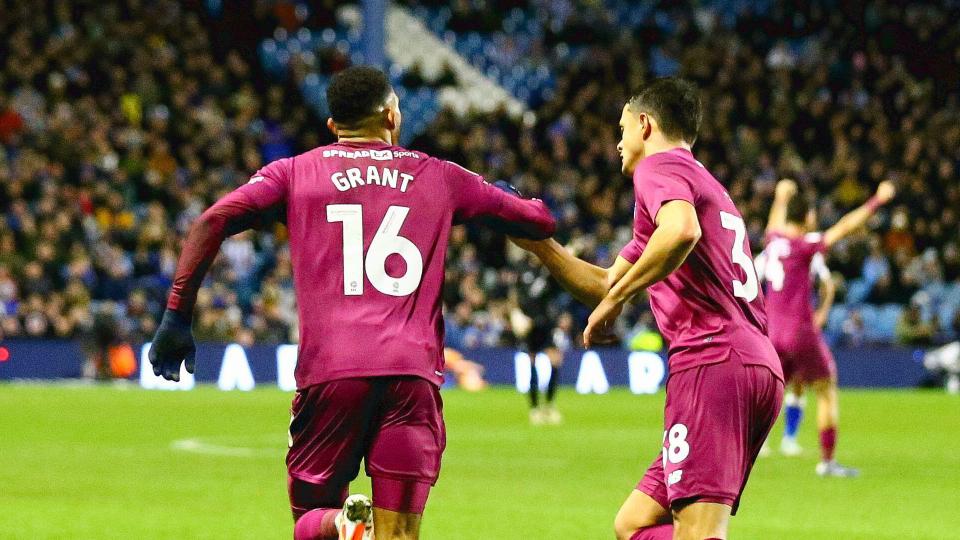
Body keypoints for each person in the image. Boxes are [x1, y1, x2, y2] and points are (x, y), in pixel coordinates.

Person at [147, 66, 556, 540]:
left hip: (331, 374)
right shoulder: (441, 176)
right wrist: (502, 197)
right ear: (391, 116)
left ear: (332, 126)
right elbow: (539, 220)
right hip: (410, 375)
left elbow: (210, 222)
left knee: (310, 518)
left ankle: (342, 523)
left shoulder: (294, 172)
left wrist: (177, 314)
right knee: (398, 534)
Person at [513, 77, 783, 540]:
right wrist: (541, 246)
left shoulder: (659, 168)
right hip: (749, 362)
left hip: (711, 359)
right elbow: (604, 283)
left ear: (644, 125)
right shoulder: (698, 183)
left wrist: (618, 300)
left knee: (698, 534)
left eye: (621, 129)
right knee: (633, 524)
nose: (618, 143)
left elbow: (680, 232)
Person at [759, 179, 895, 475]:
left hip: (770, 331)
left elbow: (773, 225)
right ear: (807, 217)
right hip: (799, 330)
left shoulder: (773, 242)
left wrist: (780, 198)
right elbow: (844, 227)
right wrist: (877, 201)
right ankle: (828, 462)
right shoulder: (804, 245)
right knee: (826, 389)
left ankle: (746, 452)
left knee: (769, 391)